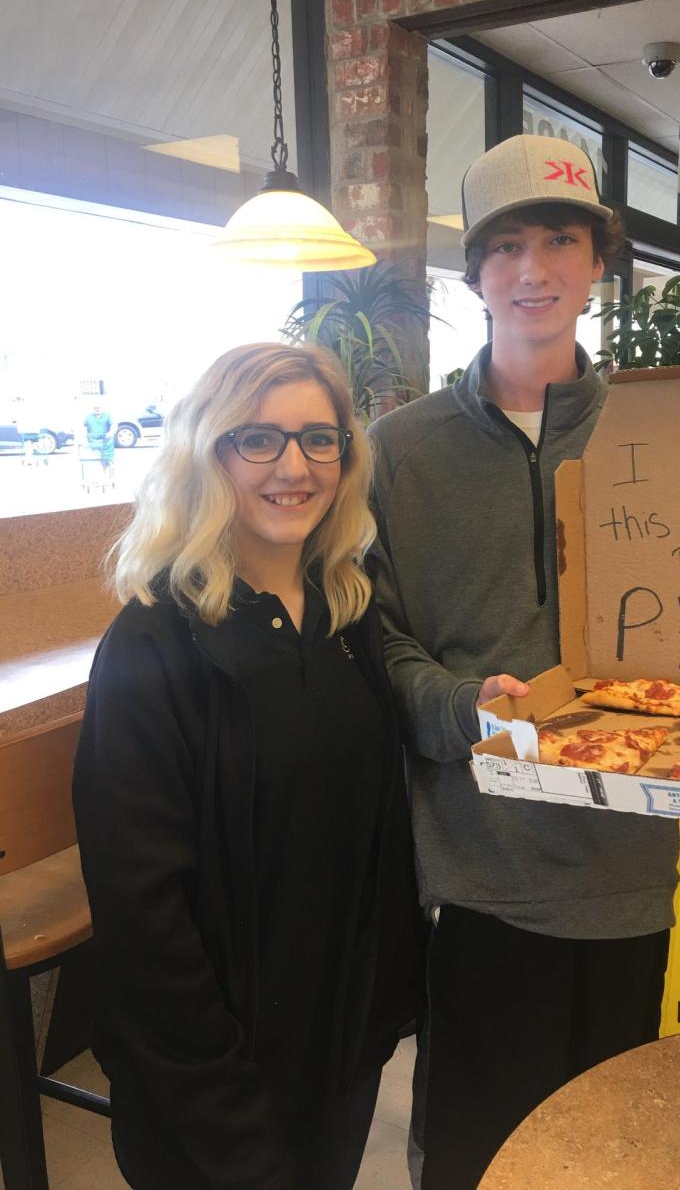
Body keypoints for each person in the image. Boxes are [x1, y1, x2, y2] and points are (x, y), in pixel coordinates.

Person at [368, 134, 680, 1190]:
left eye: (561, 239)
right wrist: (459, 704)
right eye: (507, 247)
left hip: (629, 863)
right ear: (477, 275)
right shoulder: (399, 451)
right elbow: (381, 636)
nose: (535, 269)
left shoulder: (669, 437)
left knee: (612, 1144)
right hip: (477, 868)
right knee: (477, 1154)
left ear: (600, 262)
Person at [74, 342, 422, 1190]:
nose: (293, 466)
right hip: (213, 1091)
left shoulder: (349, 614)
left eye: (319, 438)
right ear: (208, 452)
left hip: (337, 1053)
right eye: (258, 439)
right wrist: (226, 1121)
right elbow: (143, 917)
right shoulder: (157, 638)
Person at [84, 402, 115, 471]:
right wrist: (83, 434)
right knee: (87, 457)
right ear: (93, 409)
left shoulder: (107, 415)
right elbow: (82, 426)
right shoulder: (89, 417)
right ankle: (98, 472)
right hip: (92, 441)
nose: (97, 409)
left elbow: (113, 426)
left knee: (106, 457)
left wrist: (110, 433)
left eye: (99, 408)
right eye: (95, 408)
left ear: (102, 408)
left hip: (105, 441)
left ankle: (106, 470)